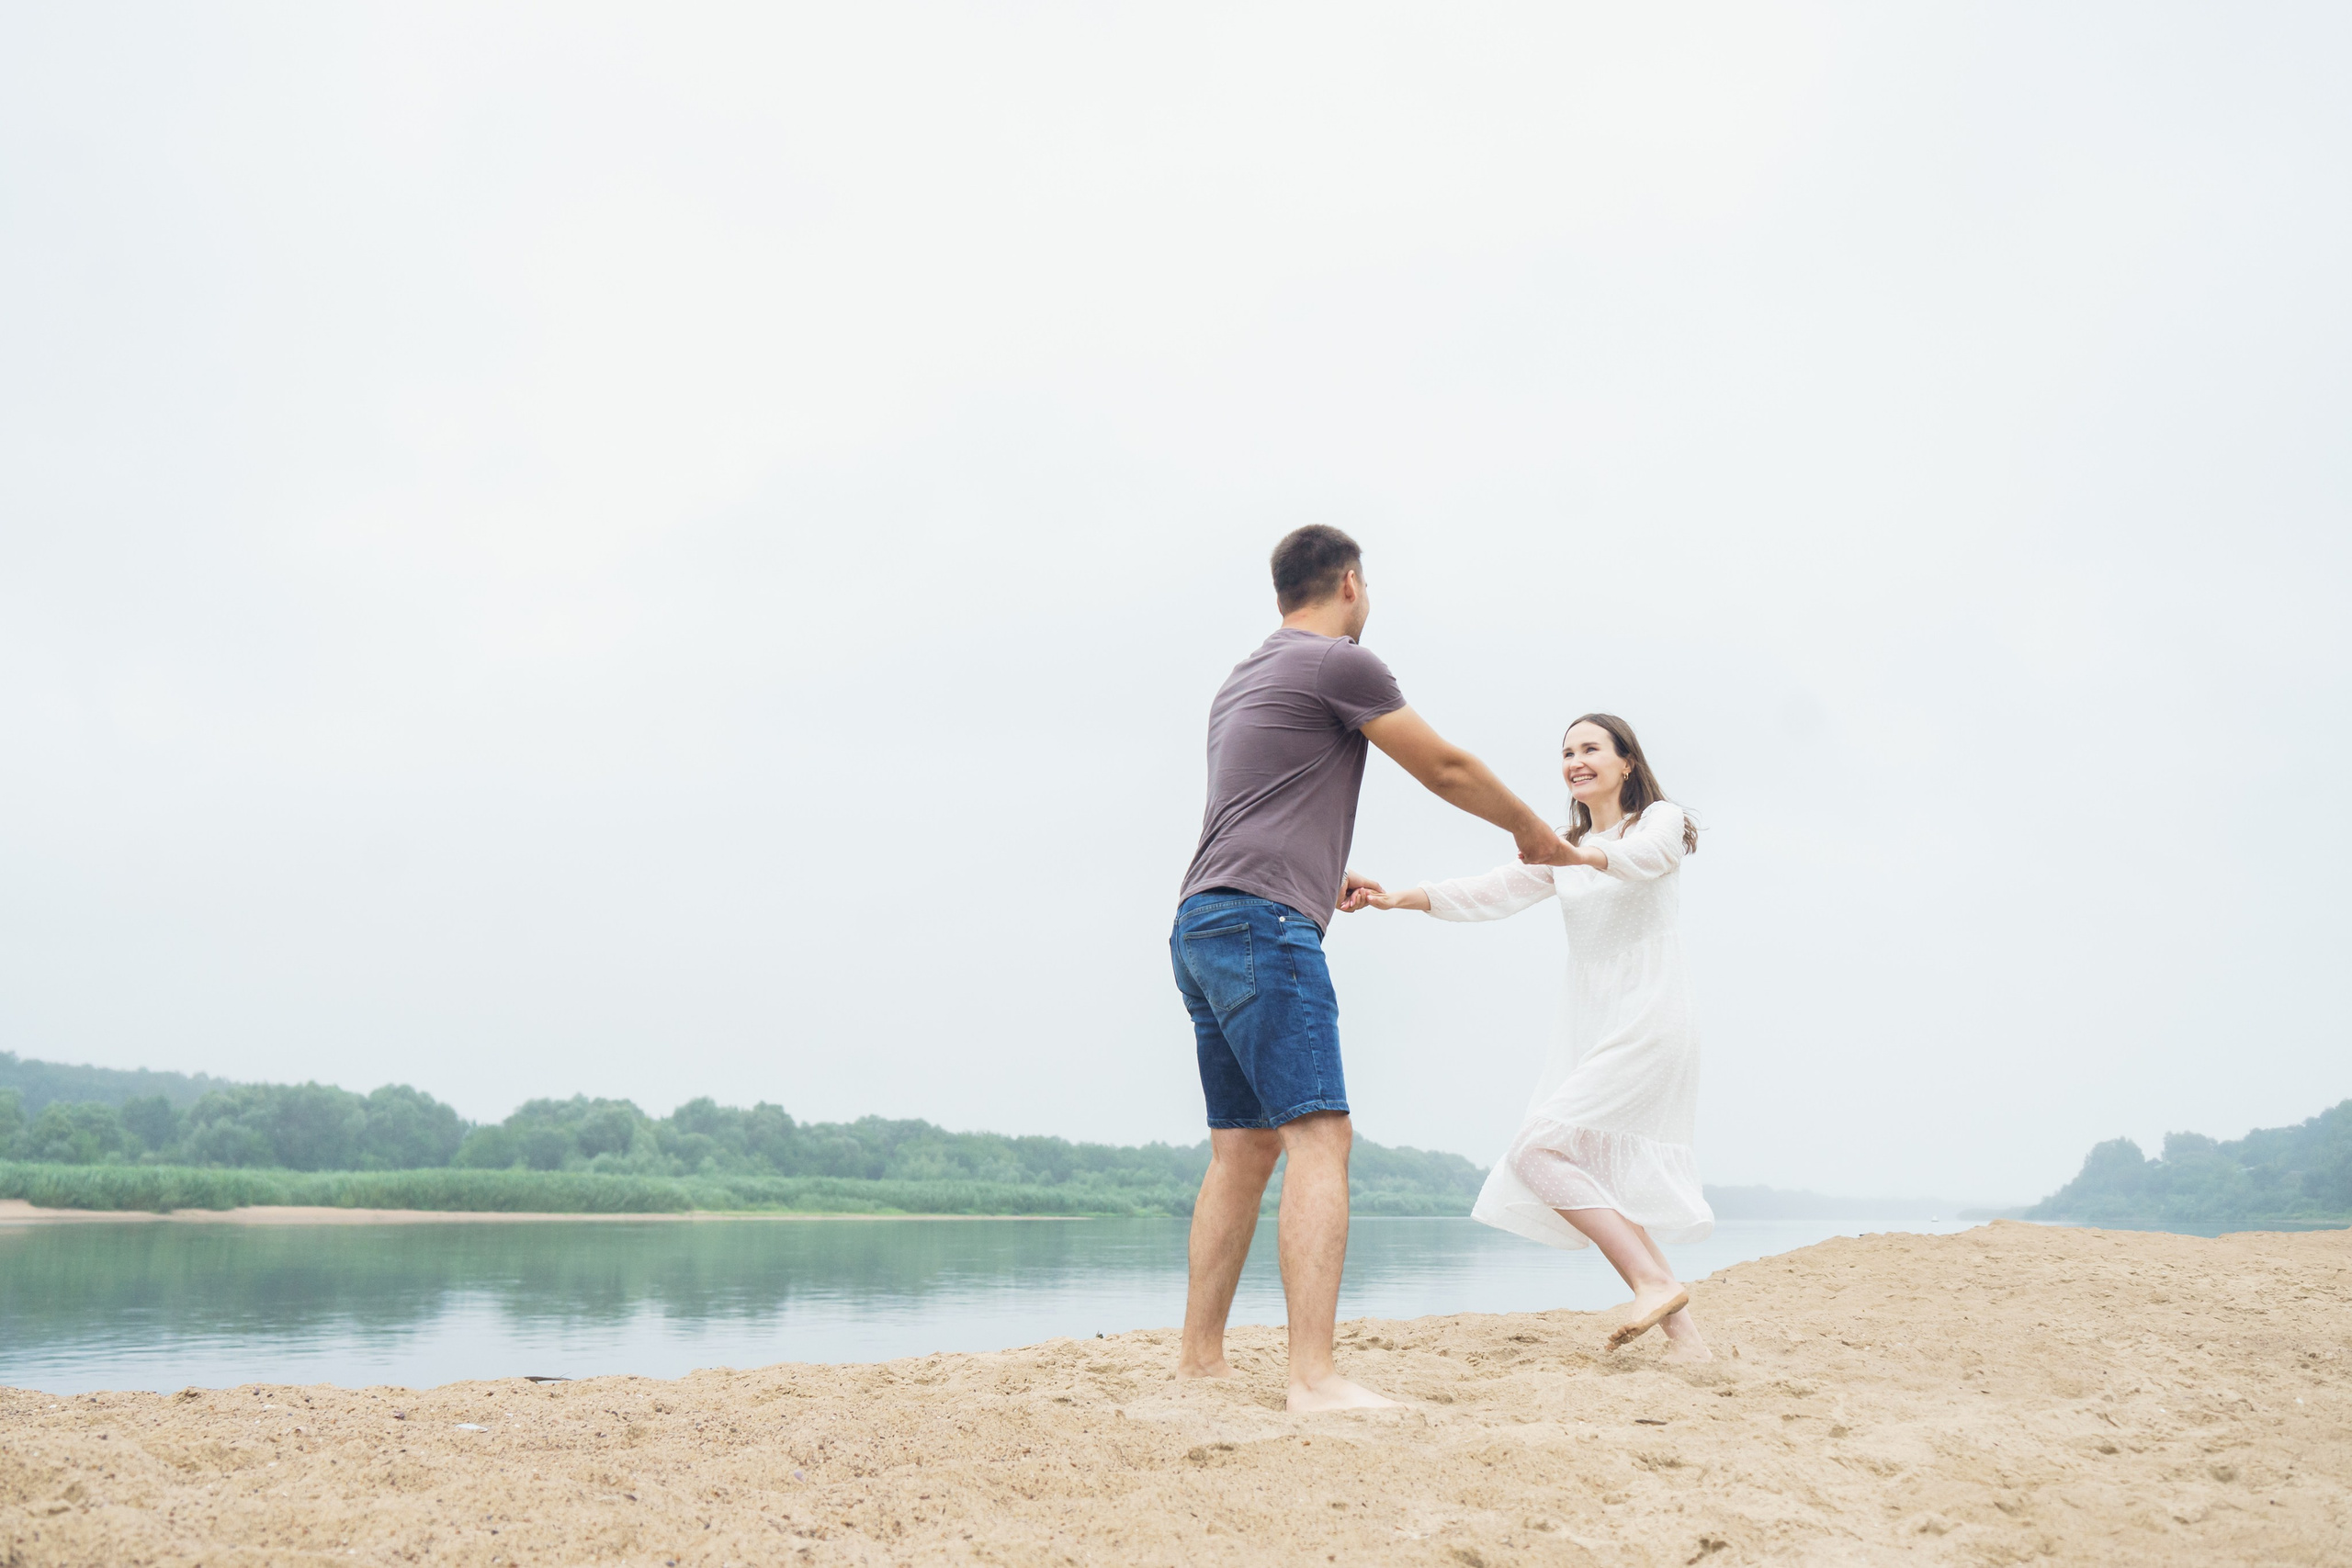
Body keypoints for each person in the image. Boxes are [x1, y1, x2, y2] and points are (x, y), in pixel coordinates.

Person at [1170, 525, 1574, 1412]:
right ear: (1350, 582)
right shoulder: (1341, 662)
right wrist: (1531, 833)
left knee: (1243, 1148)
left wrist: (1319, 872)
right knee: (1322, 1136)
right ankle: (1313, 1377)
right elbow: (1445, 766)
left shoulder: (1240, 678)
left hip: (1203, 918)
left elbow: (1257, 803)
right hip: (1264, 924)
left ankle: (1199, 1363)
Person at [1343, 713, 1714, 1361]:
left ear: (1627, 761)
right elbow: (1490, 890)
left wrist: (1574, 853)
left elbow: (1646, 858)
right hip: (1596, 1021)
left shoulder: (1656, 820)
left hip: (1652, 1014)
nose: (1575, 759)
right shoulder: (1560, 853)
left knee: (1538, 1148)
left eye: (1591, 747)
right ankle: (1688, 1341)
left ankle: (1653, 1281)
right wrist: (1396, 897)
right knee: (1570, 1158)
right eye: (1566, 751)